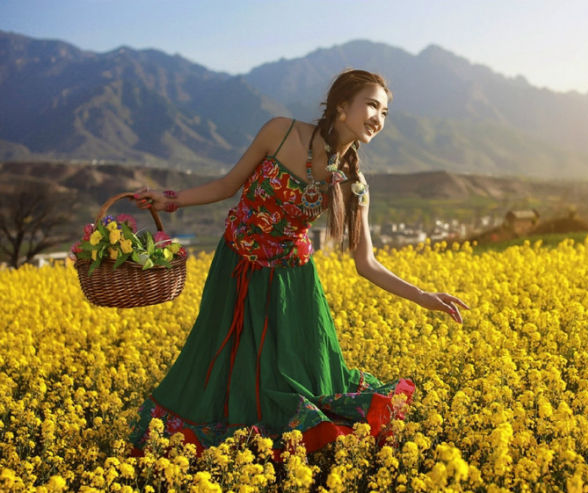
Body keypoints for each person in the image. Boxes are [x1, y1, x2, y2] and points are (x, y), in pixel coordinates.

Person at [126, 69, 469, 459]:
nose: (379, 118)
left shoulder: (353, 183)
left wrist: (423, 296)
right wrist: (169, 199)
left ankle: (268, 460)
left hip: (291, 287)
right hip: (235, 266)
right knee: (224, 367)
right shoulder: (281, 131)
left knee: (290, 381)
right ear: (342, 106)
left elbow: (366, 262)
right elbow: (226, 185)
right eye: (372, 105)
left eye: (385, 112)